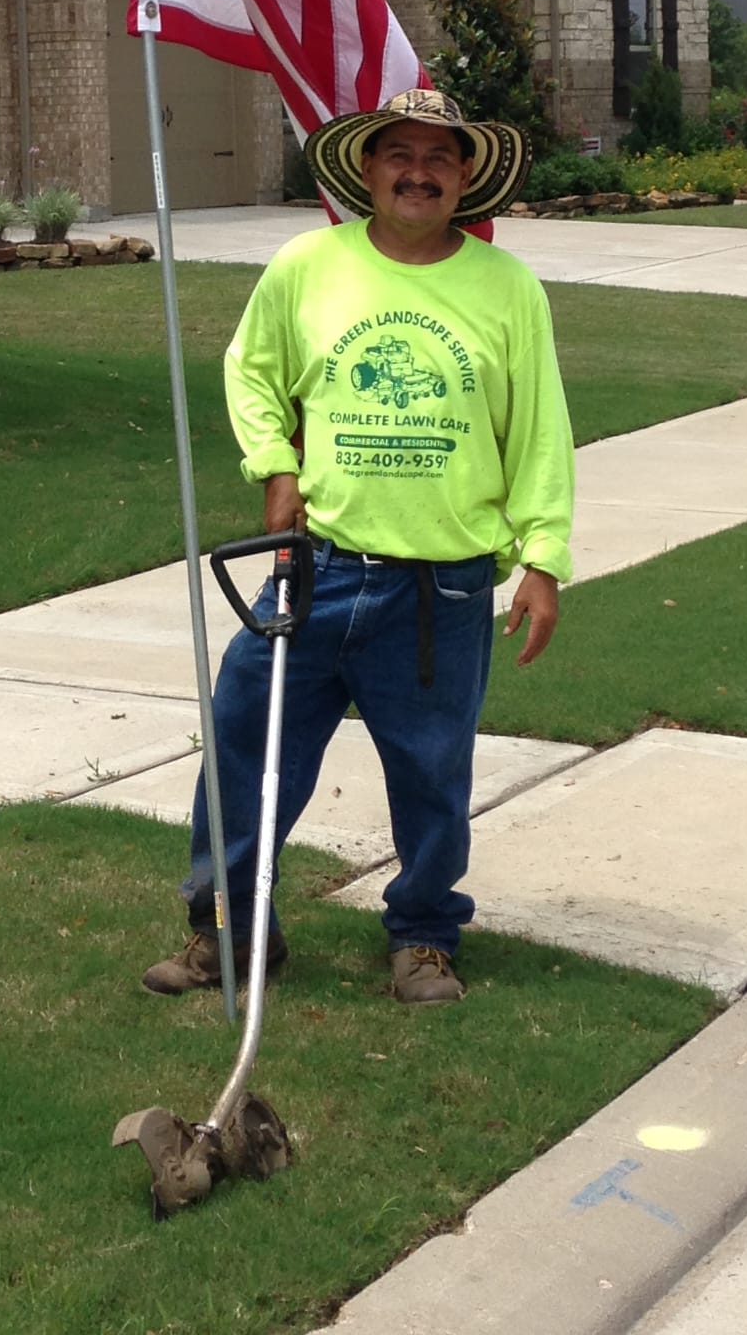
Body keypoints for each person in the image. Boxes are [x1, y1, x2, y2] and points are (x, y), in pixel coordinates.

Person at [143, 88, 575, 1004]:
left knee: (430, 769)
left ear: (465, 176)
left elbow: (540, 430)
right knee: (243, 745)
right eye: (400, 155)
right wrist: (275, 465)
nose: (419, 173)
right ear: (369, 169)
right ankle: (230, 931)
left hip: (441, 587)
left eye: (440, 158)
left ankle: (423, 938)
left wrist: (543, 558)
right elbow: (251, 371)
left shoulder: (508, 288)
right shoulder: (307, 266)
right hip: (315, 572)